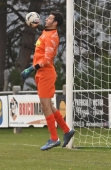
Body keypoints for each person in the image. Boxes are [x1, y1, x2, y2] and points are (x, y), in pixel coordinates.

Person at [21, 11, 75, 151]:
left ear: (55, 23)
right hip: (41, 74)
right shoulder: (46, 32)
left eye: (50, 18)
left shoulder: (52, 36)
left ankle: (53, 139)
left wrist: (31, 68)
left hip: (46, 73)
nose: (46, 19)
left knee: (45, 106)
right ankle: (67, 131)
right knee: (49, 106)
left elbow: (47, 60)